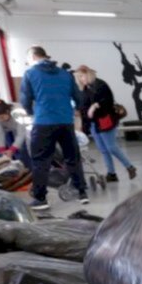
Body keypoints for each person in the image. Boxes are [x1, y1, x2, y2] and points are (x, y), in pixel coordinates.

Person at [19, 45, 89, 210]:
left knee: (41, 161)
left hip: (43, 122)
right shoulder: (65, 74)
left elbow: (25, 99)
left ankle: (41, 199)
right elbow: (78, 97)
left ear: (32, 57)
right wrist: (73, 109)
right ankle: (82, 193)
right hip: (66, 122)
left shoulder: (30, 74)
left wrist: (31, 112)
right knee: (73, 158)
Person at [74, 65, 137, 182]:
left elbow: (107, 102)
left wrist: (95, 106)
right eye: (79, 77)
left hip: (105, 120)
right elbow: (84, 107)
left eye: (82, 76)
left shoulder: (101, 85)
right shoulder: (86, 88)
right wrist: (81, 116)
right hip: (94, 123)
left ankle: (130, 167)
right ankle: (111, 174)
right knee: (103, 149)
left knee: (111, 147)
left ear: (88, 73)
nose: (81, 79)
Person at [0, 98, 32, 170]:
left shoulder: (18, 112)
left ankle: (31, 170)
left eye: (2, 117)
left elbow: (21, 133)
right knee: (11, 151)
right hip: (10, 129)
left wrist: (12, 149)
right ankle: (21, 169)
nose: (0, 120)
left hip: (26, 128)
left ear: (7, 111)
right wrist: (1, 151)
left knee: (26, 149)